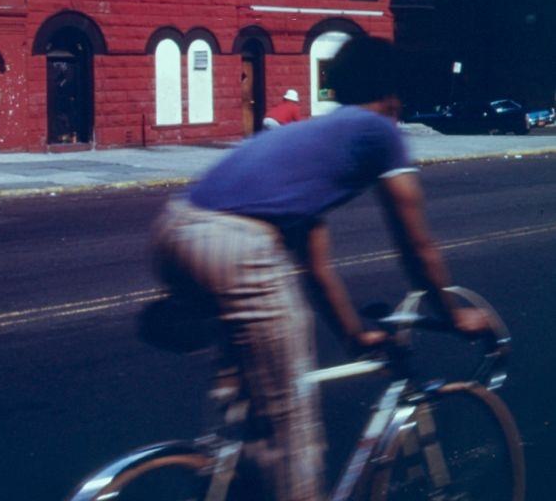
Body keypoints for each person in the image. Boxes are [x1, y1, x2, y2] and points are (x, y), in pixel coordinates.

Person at [152, 35, 490, 501]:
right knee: (291, 432)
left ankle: (219, 473)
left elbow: (315, 265)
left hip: (174, 229)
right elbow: (416, 242)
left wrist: (354, 334)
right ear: (392, 93)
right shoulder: (380, 131)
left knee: (249, 406)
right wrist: (453, 313)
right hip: (232, 245)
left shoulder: (310, 136)